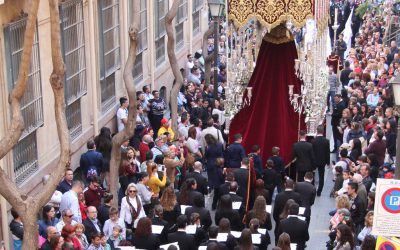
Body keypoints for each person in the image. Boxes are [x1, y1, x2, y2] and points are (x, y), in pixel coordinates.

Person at [273, 179, 301, 244]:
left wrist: (278, 221)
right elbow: (300, 210)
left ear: (285, 185)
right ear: (293, 186)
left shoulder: (278, 196)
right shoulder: (297, 196)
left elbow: (275, 212)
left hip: (280, 223)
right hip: (294, 225)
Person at [312, 125, 330, 196]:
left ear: (317, 131)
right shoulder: (326, 141)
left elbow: (312, 152)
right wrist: (328, 162)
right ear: (323, 131)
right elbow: (327, 152)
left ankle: (313, 190)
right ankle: (319, 191)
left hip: (314, 161)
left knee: (313, 175)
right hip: (322, 161)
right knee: (321, 176)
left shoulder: (313, 141)